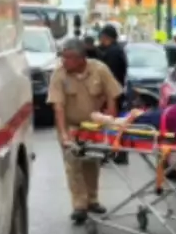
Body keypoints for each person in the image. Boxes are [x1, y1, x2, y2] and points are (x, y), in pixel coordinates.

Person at [47, 37, 124, 224]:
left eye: (69, 58)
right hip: (71, 125)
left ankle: (92, 199)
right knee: (73, 164)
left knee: (92, 162)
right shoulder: (59, 74)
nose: (65, 61)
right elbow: (58, 106)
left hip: (93, 125)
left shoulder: (99, 69)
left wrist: (111, 124)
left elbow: (112, 95)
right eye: (63, 57)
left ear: (81, 59)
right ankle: (79, 205)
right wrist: (64, 135)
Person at [97, 25, 130, 164]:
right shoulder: (117, 51)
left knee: (111, 122)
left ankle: (113, 151)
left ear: (106, 37)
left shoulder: (113, 53)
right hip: (117, 91)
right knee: (114, 123)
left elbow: (109, 75)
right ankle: (117, 151)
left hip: (112, 93)